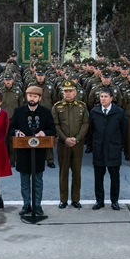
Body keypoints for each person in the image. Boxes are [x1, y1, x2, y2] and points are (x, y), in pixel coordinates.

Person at [9, 86, 56, 216]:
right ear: (26, 97)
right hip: (23, 152)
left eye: (35, 96)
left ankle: (37, 205)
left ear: (39, 98)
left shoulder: (45, 112)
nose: (32, 98)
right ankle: (26, 205)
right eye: (30, 96)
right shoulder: (19, 111)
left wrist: (44, 132)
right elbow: (11, 128)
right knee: (24, 181)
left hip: (39, 152)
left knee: (38, 181)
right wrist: (17, 132)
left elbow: (52, 130)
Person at [89, 88, 128, 211]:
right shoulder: (94, 112)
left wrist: (116, 141)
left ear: (111, 98)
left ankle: (114, 201)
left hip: (113, 148)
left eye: (106, 96)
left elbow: (124, 130)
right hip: (99, 148)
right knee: (98, 178)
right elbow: (91, 130)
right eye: (101, 97)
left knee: (114, 177)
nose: (103, 99)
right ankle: (99, 201)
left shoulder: (119, 112)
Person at [52, 80, 89, 209]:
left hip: (77, 144)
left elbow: (85, 124)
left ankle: (75, 199)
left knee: (77, 172)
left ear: (75, 92)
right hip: (63, 144)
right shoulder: (57, 106)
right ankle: (63, 199)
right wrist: (65, 138)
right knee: (63, 172)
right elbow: (55, 125)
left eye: (70, 91)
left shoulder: (82, 106)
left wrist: (77, 139)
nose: (68, 94)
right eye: (66, 91)